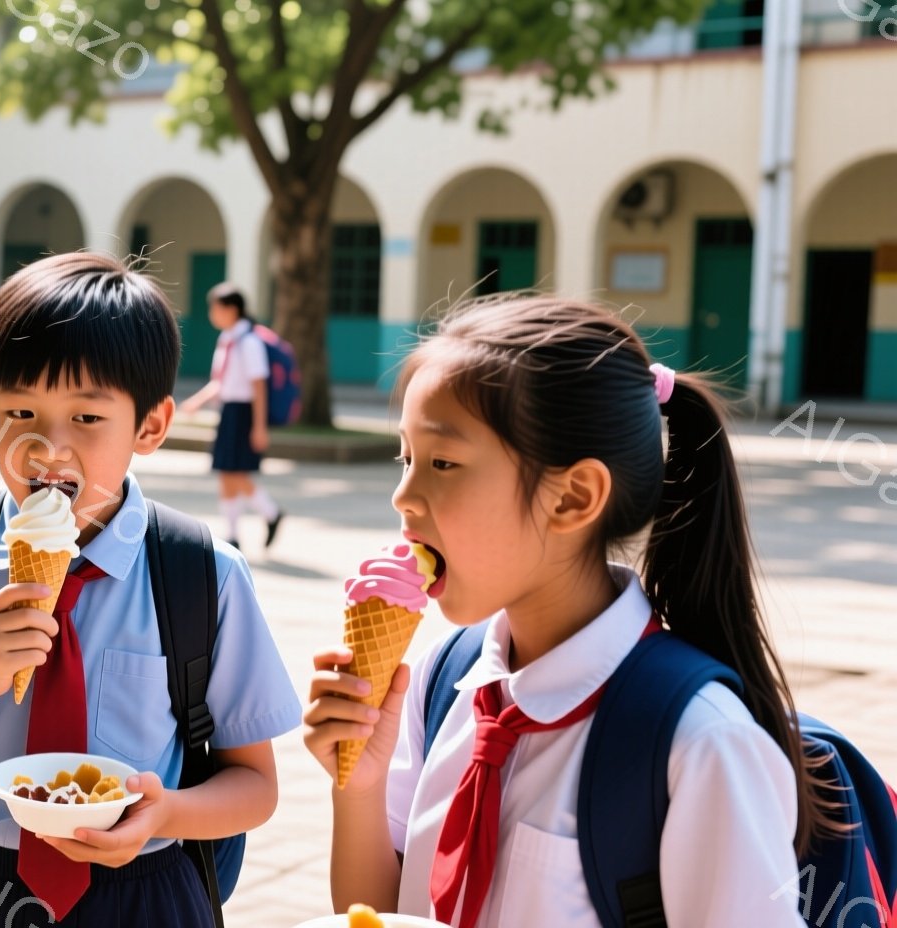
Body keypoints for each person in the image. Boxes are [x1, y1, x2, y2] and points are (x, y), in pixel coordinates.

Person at [301, 297, 824, 927]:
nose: (403, 496)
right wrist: (357, 788)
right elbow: (374, 913)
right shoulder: (444, 679)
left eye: (442, 463)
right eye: (405, 458)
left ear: (574, 497)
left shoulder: (701, 742)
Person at [0, 252, 301, 927]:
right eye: (20, 410)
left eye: (85, 419)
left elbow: (254, 786)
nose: (48, 448)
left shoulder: (200, 575)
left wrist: (166, 811)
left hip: (144, 891)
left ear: (151, 426)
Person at [180, 282, 283, 550]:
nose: (212, 314)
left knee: (234, 472)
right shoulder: (227, 340)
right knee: (226, 473)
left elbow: (259, 385)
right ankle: (233, 533)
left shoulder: (249, 342)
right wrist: (197, 402)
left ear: (231, 309)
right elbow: (220, 381)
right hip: (229, 411)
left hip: (244, 412)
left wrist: (259, 426)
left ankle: (271, 512)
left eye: (215, 308)